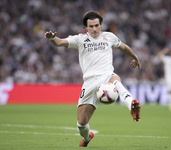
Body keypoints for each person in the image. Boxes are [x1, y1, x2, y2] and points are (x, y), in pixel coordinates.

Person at [44, 10, 141, 147]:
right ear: (86, 27)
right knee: (81, 123)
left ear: (101, 24)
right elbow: (60, 42)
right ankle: (87, 137)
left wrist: (135, 57)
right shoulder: (80, 39)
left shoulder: (109, 37)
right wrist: (53, 38)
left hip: (106, 75)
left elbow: (123, 47)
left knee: (116, 80)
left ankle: (131, 104)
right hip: (89, 81)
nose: (94, 29)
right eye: (91, 26)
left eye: (96, 25)